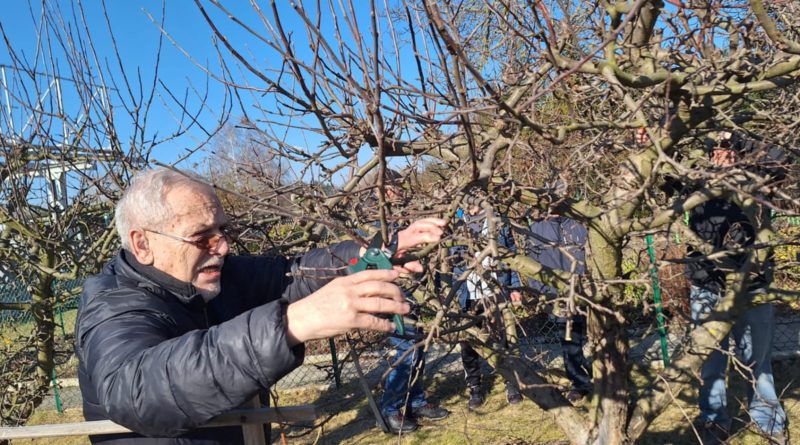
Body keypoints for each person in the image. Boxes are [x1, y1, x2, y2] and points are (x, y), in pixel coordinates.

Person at [75, 167, 446, 444]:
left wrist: (374, 252)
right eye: (201, 237)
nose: (222, 247)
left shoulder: (221, 275)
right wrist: (292, 322)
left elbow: (294, 274)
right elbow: (136, 387)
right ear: (142, 244)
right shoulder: (112, 305)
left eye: (222, 231)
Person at [685, 132, 787, 444]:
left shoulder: (755, 175)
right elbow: (660, 175)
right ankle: (714, 420)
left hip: (752, 283)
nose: (722, 154)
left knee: (758, 358)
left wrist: (741, 142)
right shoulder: (696, 178)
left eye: (727, 148)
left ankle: (769, 420)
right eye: (716, 148)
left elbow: (783, 157)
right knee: (711, 359)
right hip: (707, 284)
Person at [370, 171, 449, 434]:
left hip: (418, 294)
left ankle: (416, 401)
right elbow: (369, 259)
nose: (400, 191)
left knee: (420, 352)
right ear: (382, 190)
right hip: (392, 297)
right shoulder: (372, 221)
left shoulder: (406, 214)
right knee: (406, 354)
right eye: (395, 187)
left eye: (400, 186)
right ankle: (390, 409)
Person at [450, 205, 523, 409]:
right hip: (468, 294)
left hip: (496, 290)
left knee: (505, 339)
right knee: (469, 344)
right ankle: (475, 387)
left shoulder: (496, 221)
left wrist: (514, 286)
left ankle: (512, 382)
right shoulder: (455, 223)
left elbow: (511, 255)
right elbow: (448, 261)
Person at [526, 214, 593, 403]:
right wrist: (543, 294)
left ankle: (603, 374)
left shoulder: (579, 225)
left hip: (586, 291)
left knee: (595, 336)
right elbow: (532, 265)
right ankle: (579, 383)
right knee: (569, 339)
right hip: (558, 294)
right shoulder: (536, 229)